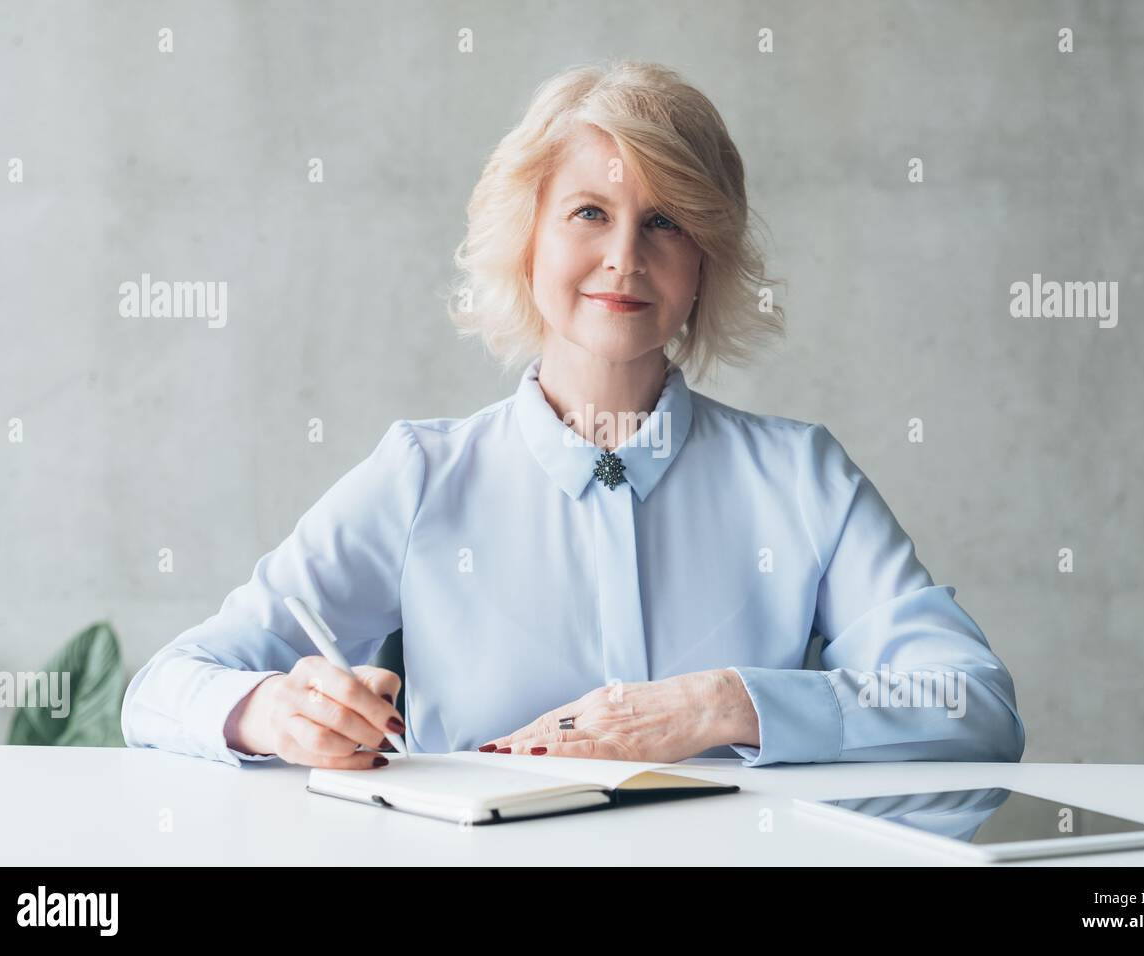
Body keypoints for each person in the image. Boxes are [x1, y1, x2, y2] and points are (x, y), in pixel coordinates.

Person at [121, 60, 1025, 771]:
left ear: (706, 260)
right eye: (590, 212)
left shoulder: (802, 478)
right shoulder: (420, 477)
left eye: (666, 222)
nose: (625, 257)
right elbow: (163, 687)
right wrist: (269, 713)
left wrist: (720, 705)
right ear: (527, 240)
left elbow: (975, 702)